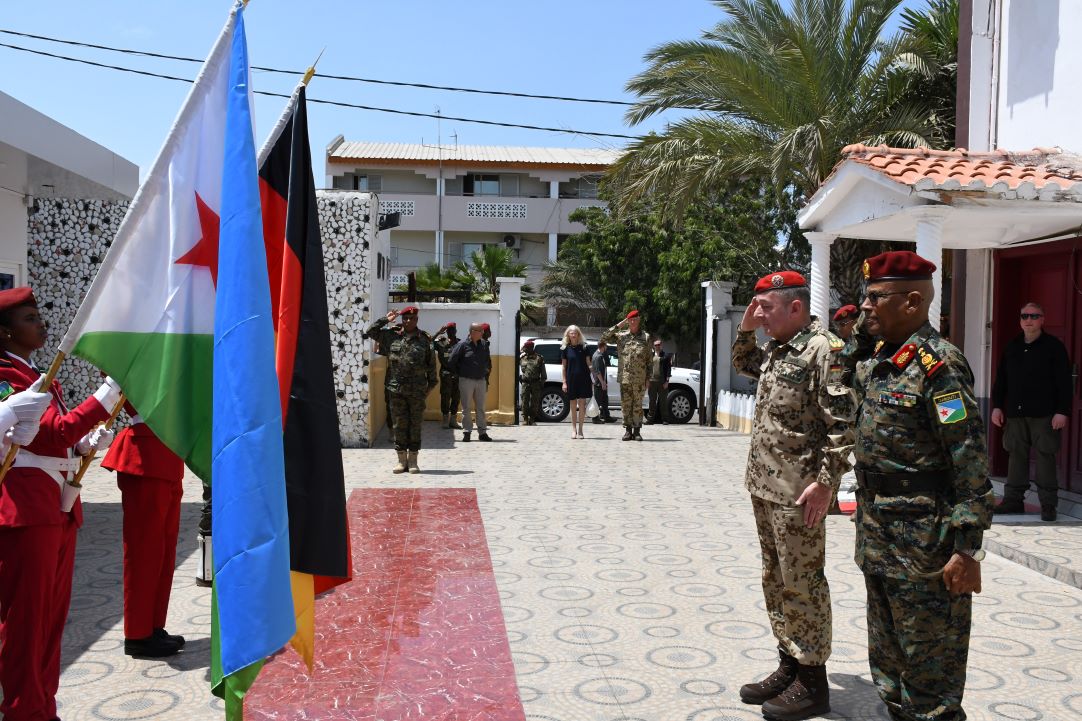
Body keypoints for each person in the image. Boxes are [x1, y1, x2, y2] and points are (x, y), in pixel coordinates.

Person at [851, 250, 994, 721]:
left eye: (876, 297)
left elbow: (968, 460)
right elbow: (839, 369)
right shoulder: (878, 359)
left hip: (926, 544)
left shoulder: (940, 368)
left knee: (930, 671)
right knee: (889, 663)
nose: (865, 307)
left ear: (913, 302)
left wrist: (967, 548)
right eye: (865, 296)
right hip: (879, 533)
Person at [731, 271, 853, 721]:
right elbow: (743, 362)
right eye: (757, 307)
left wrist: (826, 484)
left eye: (767, 307)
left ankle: (814, 680)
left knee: (804, 584)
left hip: (800, 492)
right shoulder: (778, 349)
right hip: (765, 486)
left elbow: (843, 425)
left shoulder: (823, 351)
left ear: (795, 307)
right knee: (775, 579)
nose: (759, 316)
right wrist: (747, 325)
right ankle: (789, 663)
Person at [0, 286, 120, 721]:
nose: (41, 322)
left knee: (51, 620)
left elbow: (58, 439)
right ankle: (23, 710)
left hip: (56, 504)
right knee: (26, 624)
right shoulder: (5, 375)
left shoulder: (35, 374)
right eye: (29, 318)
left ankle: (41, 707)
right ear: (5, 333)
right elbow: (52, 433)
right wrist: (108, 394)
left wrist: (83, 446)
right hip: (26, 509)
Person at [100, 399, 186, 658]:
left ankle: (153, 625)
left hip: (167, 452)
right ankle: (138, 633)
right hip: (146, 453)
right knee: (144, 552)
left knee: (163, 551)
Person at [990, 301, 1071, 521]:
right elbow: (1002, 380)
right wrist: (997, 406)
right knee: (1016, 456)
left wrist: (1062, 411)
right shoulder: (1012, 346)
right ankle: (1013, 501)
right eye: (1024, 316)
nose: (1029, 320)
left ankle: (1048, 505)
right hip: (1015, 414)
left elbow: (1064, 382)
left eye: (1034, 316)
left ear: (1042, 320)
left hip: (1044, 414)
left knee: (1045, 456)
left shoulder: (1054, 346)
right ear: (1020, 320)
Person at [363, 306, 437, 473]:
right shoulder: (391, 337)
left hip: (417, 392)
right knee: (399, 425)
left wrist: (428, 388)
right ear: (402, 320)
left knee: (415, 425)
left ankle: (413, 461)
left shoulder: (425, 340)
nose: (408, 321)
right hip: (396, 390)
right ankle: (401, 461)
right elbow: (370, 331)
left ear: (417, 320)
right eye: (405, 318)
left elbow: (431, 367)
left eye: (412, 318)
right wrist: (386, 319)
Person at [601, 310, 653, 441]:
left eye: (635, 319)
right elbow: (604, 337)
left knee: (638, 405)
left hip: (640, 378)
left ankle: (637, 431)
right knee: (626, 405)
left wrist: (648, 378)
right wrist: (620, 324)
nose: (633, 321)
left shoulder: (645, 337)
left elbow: (649, 360)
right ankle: (627, 431)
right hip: (625, 377)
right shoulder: (621, 336)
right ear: (628, 321)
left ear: (639, 320)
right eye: (630, 320)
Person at [449, 322, 492, 442]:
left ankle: (482, 433)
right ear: (472, 332)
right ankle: (467, 432)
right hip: (466, 380)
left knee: (481, 407)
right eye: (480, 331)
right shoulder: (462, 345)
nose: (483, 333)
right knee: (466, 408)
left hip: (480, 381)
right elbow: (452, 360)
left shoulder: (484, 344)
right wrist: (460, 373)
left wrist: (485, 371)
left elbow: (487, 360)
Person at [561, 325, 592, 439]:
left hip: (584, 379)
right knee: (573, 405)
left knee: (582, 405)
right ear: (568, 335)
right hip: (571, 380)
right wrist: (564, 382)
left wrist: (594, 375)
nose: (573, 335)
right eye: (571, 333)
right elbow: (564, 367)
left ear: (578, 334)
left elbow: (589, 363)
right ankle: (573, 429)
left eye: (575, 333)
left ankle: (581, 430)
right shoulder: (565, 349)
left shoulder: (584, 347)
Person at [433, 322, 461, 429]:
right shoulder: (441, 342)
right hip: (445, 374)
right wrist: (438, 333)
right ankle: (445, 419)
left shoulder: (460, 343)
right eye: (449, 330)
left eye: (452, 330)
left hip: (457, 374)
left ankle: (453, 420)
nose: (451, 332)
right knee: (445, 396)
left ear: (455, 331)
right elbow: (427, 342)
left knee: (456, 397)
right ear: (446, 331)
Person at [519, 340, 546, 425]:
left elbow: (543, 372)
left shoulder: (539, 358)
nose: (524, 350)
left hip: (535, 383)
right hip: (525, 383)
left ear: (531, 348)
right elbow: (521, 371)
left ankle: (532, 419)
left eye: (526, 348)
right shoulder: (522, 358)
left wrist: (542, 382)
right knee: (524, 400)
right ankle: (525, 419)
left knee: (535, 401)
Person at [645, 339, 672, 425]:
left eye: (659, 345)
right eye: (656, 345)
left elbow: (668, 369)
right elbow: (647, 368)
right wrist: (647, 381)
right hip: (652, 381)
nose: (657, 346)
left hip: (662, 382)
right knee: (652, 401)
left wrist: (667, 381)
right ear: (654, 346)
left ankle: (665, 419)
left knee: (663, 401)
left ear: (661, 345)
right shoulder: (650, 355)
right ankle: (650, 420)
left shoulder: (666, 355)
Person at [591, 340, 616, 424]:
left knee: (605, 400)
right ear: (603, 346)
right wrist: (602, 382)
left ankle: (606, 416)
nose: (607, 347)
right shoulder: (597, 356)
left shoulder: (600, 355)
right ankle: (595, 418)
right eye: (606, 346)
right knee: (598, 401)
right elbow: (597, 371)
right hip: (599, 383)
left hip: (602, 381)